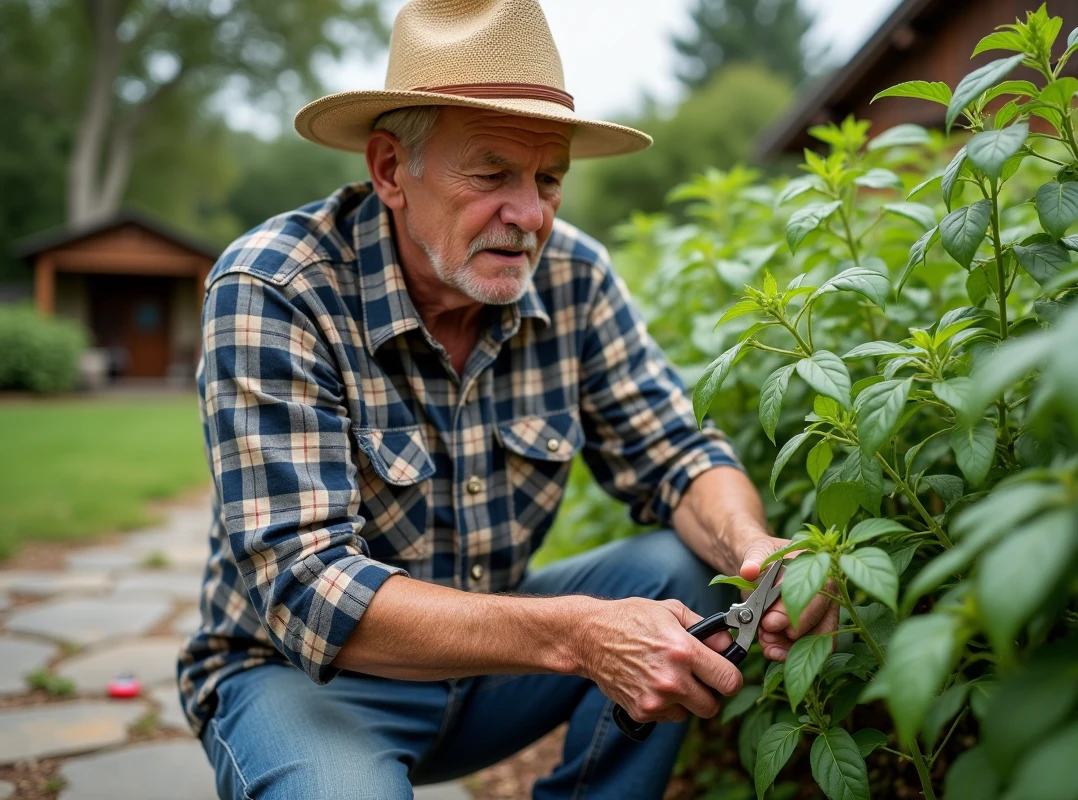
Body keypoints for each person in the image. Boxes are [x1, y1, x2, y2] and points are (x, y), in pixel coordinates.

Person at [178, 1, 838, 797]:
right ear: (390, 170)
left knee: (683, 568)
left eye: (548, 178)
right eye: (491, 175)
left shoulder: (575, 277)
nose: (530, 215)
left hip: (490, 668)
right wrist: (579, 634)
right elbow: (305, 587)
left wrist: (753, 549)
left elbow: (678, 454)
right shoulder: (277, 287)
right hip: (298, 680)